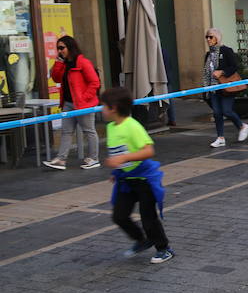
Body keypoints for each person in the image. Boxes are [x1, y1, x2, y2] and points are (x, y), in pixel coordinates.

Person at [101, 87, 173, 264]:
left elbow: (149, 150)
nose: (101, 109)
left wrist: (124, 158)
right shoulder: (111, 127)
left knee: (148, 218)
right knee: (119, 216)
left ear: (114, 108)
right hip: (126, 180)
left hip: (144, 180)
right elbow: (120, 152)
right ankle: (142, 240)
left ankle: (164, 248)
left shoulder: (132, 126)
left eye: (103, 106)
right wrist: (117, 171)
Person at [43, 35, 101, 170]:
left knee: (89, 131)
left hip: (83, 104)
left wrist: (84, 98)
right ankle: (61, 159)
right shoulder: (63, 64)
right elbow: (56, 78)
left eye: (62, 48)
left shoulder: (83, 62)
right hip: (68, 103)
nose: (60, 51)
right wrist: (58, 62)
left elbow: (95, 82)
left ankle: (94, 158)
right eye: (58, 48)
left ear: (70, 47)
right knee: (66, 131)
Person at [203, 28, 248, 148]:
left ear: (217, 38)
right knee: (217, 113)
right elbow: (206, 72)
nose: (208, 39)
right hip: (213, 88)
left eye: (211, 37)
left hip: (226, 87)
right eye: (207, 37)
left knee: (226, 111)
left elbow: (234, 66)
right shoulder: (208, 54)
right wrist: (205, 88)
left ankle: (242, 126)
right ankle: (220, 137)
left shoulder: (226, 51)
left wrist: (222, 72)